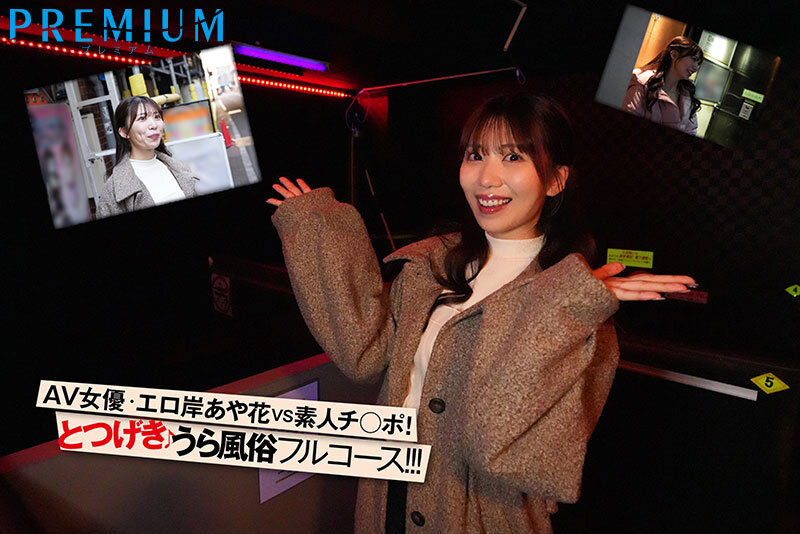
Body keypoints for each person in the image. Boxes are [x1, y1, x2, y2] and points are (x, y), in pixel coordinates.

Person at [267, 92, 695, 533]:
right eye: (475, 155)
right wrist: (318, 230)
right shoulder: (431, 266)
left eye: (513, 157)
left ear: (556, 179)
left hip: (481, 515)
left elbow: (505, 447)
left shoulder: (578, 313)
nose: (487, 178)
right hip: (388, 494)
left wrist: (563, 308)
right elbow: (364, 353)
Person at [96, 95, 198, 218]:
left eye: (157, 117)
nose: (153, 125)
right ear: (124, 132)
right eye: (142, 118)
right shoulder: (112, 191)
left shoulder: (178, 168)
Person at [622, 36, 704, 135]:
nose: (696, 68)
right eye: (694, 59)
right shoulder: (643, 85)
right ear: (674, 55)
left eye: (698, 64)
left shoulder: (687, 94)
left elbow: (691, 132)